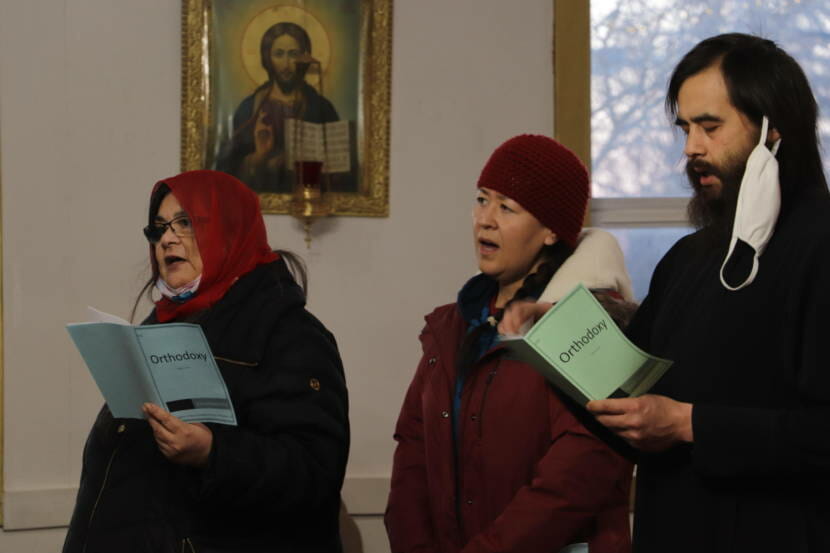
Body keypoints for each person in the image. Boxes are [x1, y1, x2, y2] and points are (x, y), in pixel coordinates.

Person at [506, 34, 830, 552]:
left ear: (774, 129)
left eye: (710, 127)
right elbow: (633, 400)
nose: (690, 148)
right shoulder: (689, 258)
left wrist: (688, 424)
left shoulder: (819, 246)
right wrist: (563, 333)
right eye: (685, 128)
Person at [62, 170, 350, 553]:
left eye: (185, 223)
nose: (167, 239)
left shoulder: (289, 333)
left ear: (229, 230)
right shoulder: (164, 320)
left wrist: (213, 452)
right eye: (159, 227)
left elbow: (314, 472)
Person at [385, 135, 635, 553]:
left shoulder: (589, 330)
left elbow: (578, 475)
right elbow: (413, 449)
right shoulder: (451, 325)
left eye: (507, 208)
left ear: (551, 231)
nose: (485, 220)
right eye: (482, 200)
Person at [218, 22, 340, 193]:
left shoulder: (322, 108)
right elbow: (227, 170)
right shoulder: (250, 108)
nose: (286, 64)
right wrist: (258, 158)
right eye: (279, 54)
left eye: (293, 54)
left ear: (304, 58)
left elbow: (338, 172)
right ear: (267, 58)